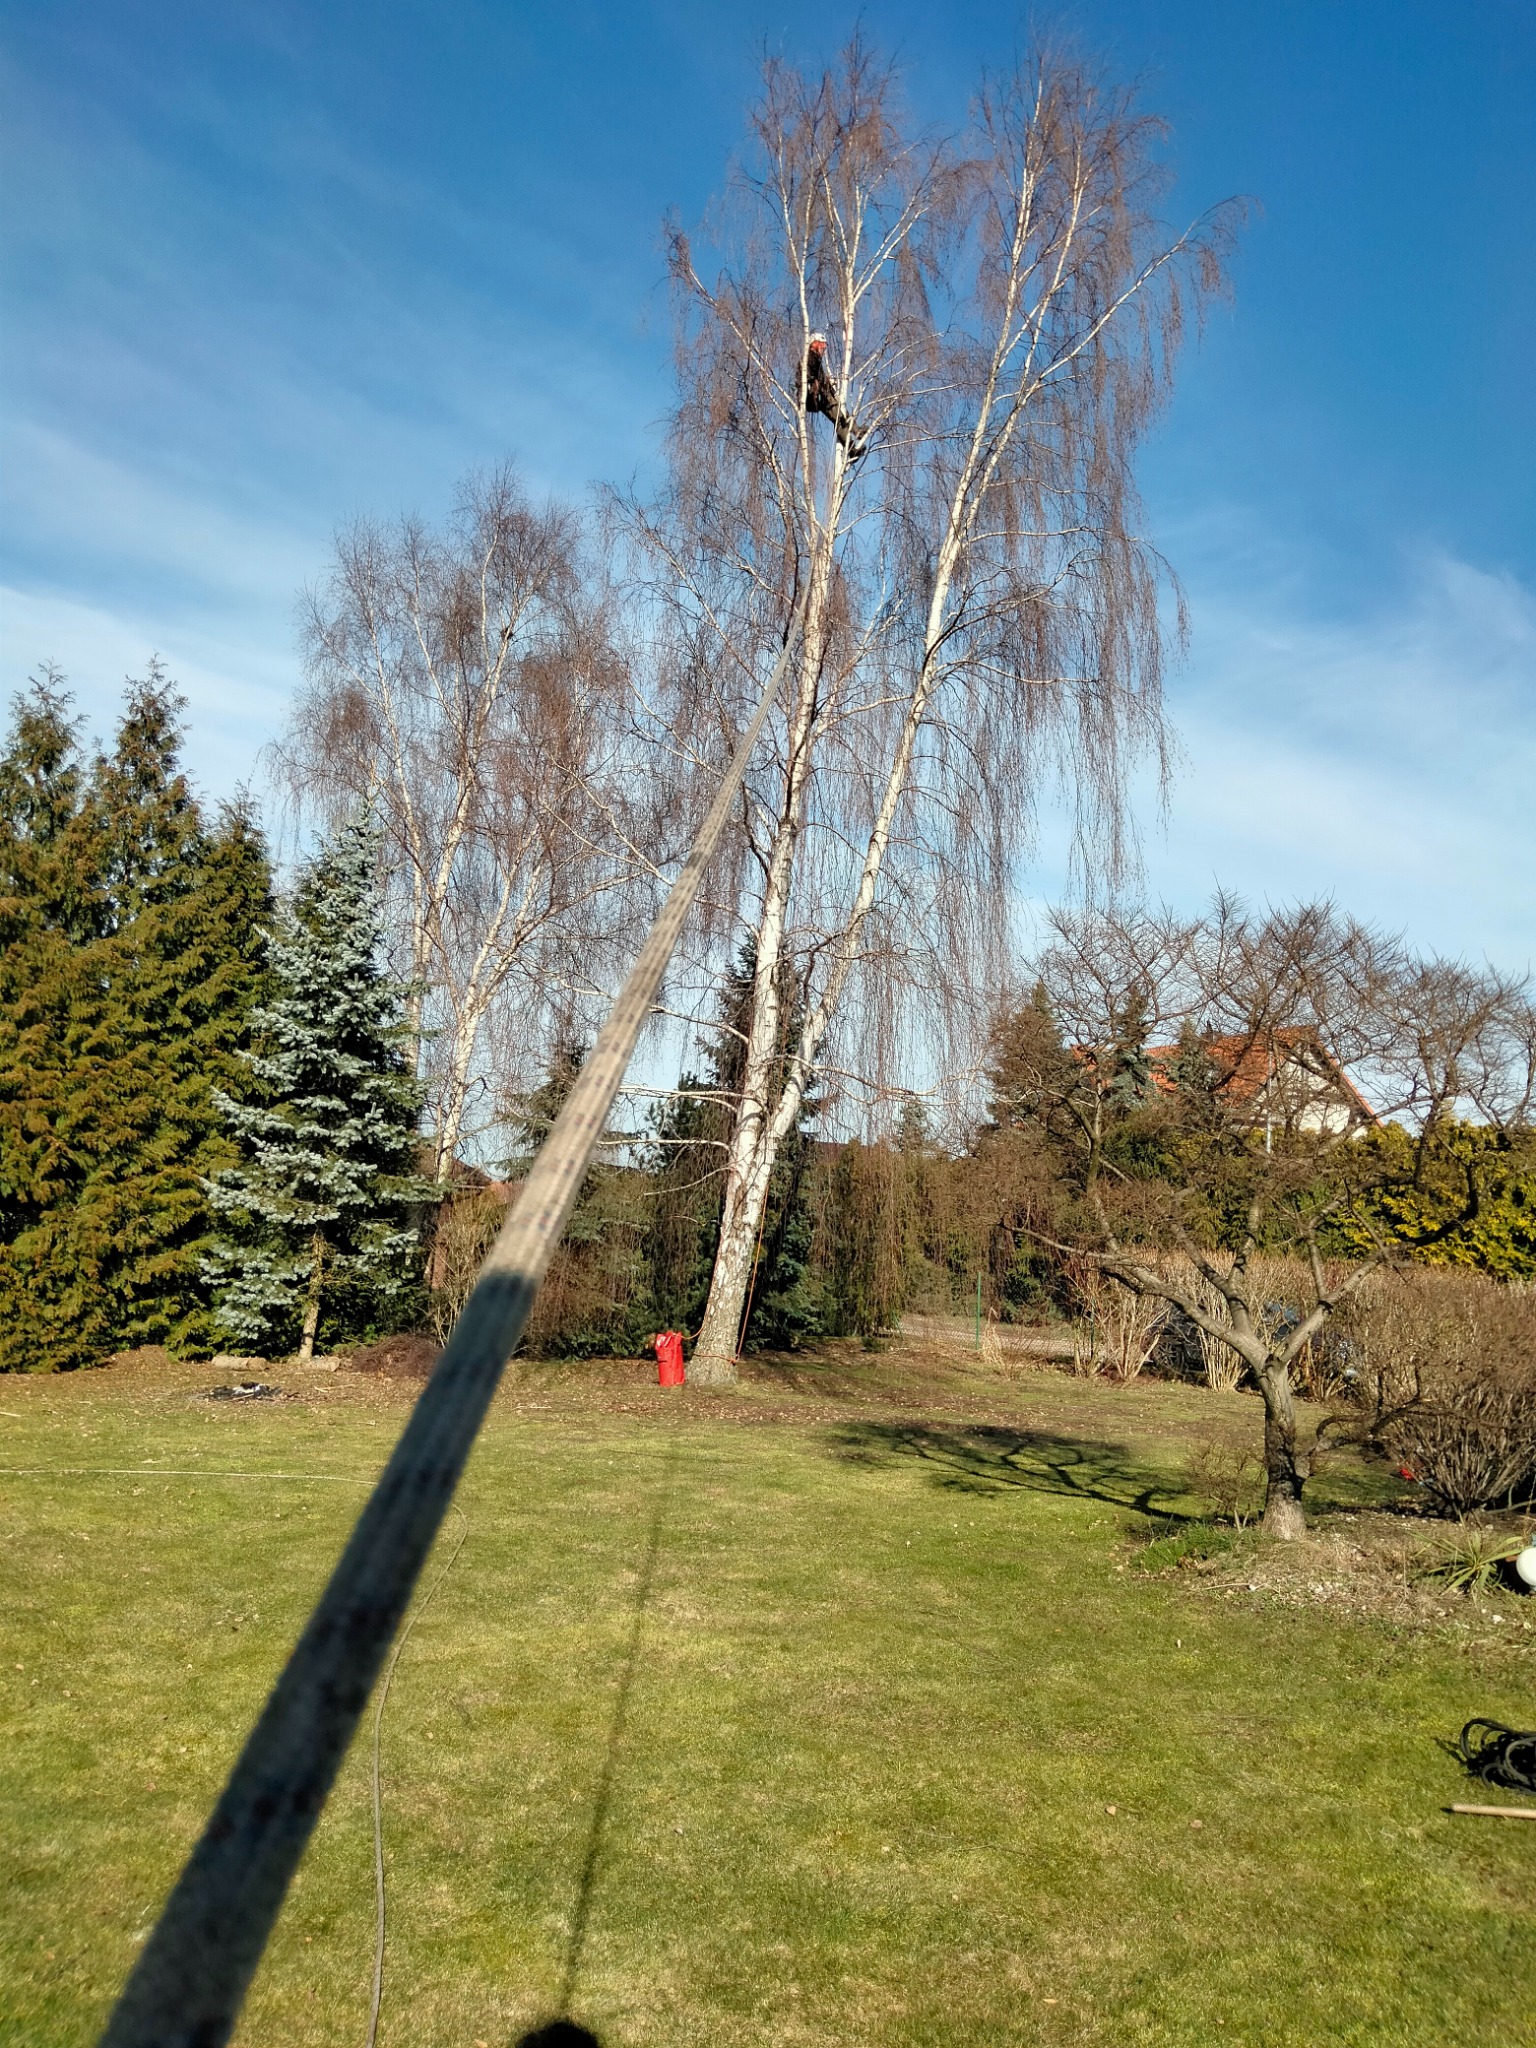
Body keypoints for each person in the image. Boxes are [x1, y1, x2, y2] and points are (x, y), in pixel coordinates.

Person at [803, 332, 866, 459]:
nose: (823, 350)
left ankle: (856, 432)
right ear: (815, 345)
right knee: (839, 418)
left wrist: (830, 386)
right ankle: (851, 448)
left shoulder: (815, 360)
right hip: (817, 396)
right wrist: (816, 388)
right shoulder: (810, 358)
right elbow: (809, 377)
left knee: (842, 413)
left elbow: (820, 378)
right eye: (822, 346)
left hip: (821, 394)